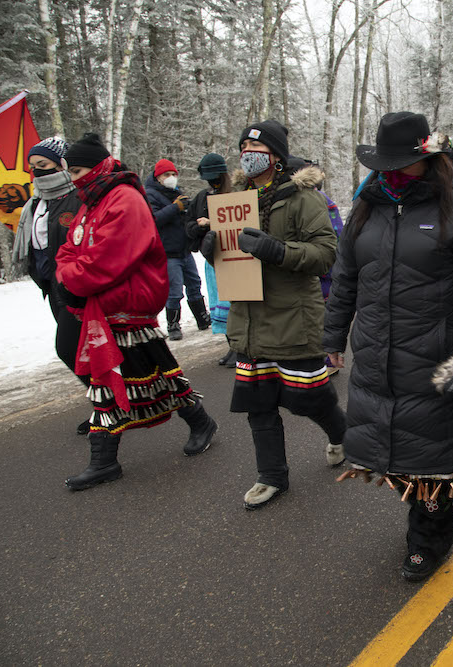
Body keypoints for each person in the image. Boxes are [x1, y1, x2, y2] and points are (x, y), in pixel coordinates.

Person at [324, 111, 453, 582]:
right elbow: (345, 278)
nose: (391, 171)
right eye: (385, 163)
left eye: (401, 162)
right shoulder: (366, 207)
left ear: (427, 158)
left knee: (434, 455)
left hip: (436, 355)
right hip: (376, 354)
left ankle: (430, 537)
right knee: (395, 446)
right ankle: (427, 517)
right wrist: (333, 335)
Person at [56, 133, 218, 491]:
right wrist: (71, 270)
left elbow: (104, 261)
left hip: (129, 302)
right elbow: (69, 249)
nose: (74, 178)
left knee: (149, 371)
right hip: (104, 304)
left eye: (79, 170)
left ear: (97, 166)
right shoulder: (91, 202)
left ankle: (197, 421)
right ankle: (106, 459)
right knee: (121, 374)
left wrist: (71, 275)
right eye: (71, 171)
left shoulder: (124, 200)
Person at [200, 120, 347, 510]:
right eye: (243, 145)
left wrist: (277, 250)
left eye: (255, 145)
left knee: (309, 399)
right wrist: (211, 248)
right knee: (258, 403)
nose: (247, 152)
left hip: (292, 317)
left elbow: (325, 254)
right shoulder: (234, 201)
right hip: (249, 319)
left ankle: (342, 434)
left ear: (275, 155)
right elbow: (232, 259)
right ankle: (272, 476)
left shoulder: (303, 197)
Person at [11, 137, 89, 434]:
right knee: (81, 352)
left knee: (68, 349)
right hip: (52, 288)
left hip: (78, 288)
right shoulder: (35, 203)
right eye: (32, 167)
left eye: (43, 166)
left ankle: (113, 403)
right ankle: (107, 405)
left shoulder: (78, 196)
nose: (37, 173)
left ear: (62, 165)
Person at [145, 158, 210, 341]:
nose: (171, 178)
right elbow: (153, 220)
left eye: (174, 174)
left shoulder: (175, 193)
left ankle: (202, 317)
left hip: (184, 249)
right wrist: (175, 208)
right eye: (167, 175)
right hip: (168, 252)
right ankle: (173, 324)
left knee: (194, 284)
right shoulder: (150, 195)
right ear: (158, 177)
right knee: (174, 290)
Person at [185, 153, 235, 366]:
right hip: (212, 258)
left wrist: (214, 221)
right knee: (220, 303)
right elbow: (188, 227)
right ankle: (232, 346)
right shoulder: (201, 198)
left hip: (234, 257)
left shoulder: (235, 194)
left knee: (235, 303)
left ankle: (241, 348)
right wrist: (200, 226)